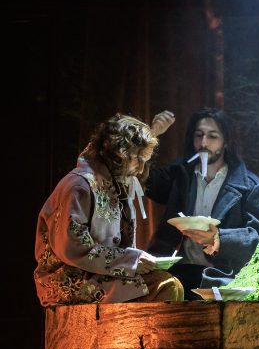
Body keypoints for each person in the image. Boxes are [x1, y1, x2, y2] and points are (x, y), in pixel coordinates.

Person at [34, 114, 184, 305]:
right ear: (119, 154)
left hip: (101, 274)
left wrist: (135, 261)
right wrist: (131, 260)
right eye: (137, 159)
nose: (141, 169)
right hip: (69, 280)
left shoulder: (117, 185)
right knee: (165, 285)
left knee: (169, 281)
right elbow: (72, 248)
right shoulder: (79, 185)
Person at [145, 108, 259, 294]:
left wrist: (218, 238)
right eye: (199, 135)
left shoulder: (251, 186)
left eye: (212, 136)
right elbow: (141, 178)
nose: (204, 143)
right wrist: (151, 135)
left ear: (226, 141)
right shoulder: (180, 174)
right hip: (175, 273)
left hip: (223, 277)